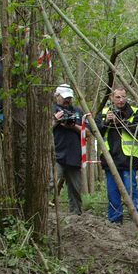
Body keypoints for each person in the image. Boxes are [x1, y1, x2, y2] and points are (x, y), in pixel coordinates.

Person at [97, 88, 138, 224]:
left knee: (131, 190)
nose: (121, 100)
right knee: (113, 192)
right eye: (117, 97)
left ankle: (135, 219)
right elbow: (96, 131)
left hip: (128, 159)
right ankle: (115, 219)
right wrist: (107, 121)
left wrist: (122, 123)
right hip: (110, 159)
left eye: (123, 97)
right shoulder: (104, 112)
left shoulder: (134, 112)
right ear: (112, 98)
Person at [52, 84, 85, 215]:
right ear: (57, 96)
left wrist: (73, 126)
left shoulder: (78, 112)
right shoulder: (51, 109)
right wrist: (56, 121)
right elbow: (41, 133)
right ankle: (45, 212)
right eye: (65, 97)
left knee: (75, 189)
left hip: (74, 156)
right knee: (50, 183)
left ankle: (76, 215)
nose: (67, 100)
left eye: (69, 98)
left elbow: (87, 132)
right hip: (56, 154)